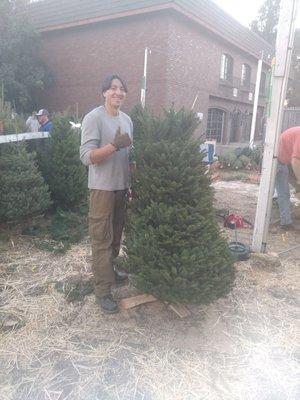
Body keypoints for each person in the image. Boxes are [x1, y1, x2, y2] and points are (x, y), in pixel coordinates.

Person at [80, 75, 133, 314]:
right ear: (104, 93)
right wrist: (113, 146)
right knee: (101, 240)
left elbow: (129, 155)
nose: (118, 92)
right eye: (113, 88)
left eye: (121, 89)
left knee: (115, 237)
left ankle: (110, 271)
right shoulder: (94, 118)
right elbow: (86, 157)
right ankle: (102, 290)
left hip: (122, 188)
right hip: (102, 189)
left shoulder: (128, 120)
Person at [275, 126, 300, 230]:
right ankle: (263, 219)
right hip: (273, 161)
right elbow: (295, 161)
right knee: (267, 193)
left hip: (283, 162)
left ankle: (286, 223)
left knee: (284, 193)